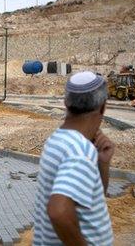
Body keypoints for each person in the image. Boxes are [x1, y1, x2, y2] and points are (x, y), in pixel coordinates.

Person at [34, 71, 115, 245]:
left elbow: (91, 197)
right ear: (103, 107)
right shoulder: (80, 151)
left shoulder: (57, 139)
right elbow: (58, 211)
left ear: (66, 103)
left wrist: (102, 162)